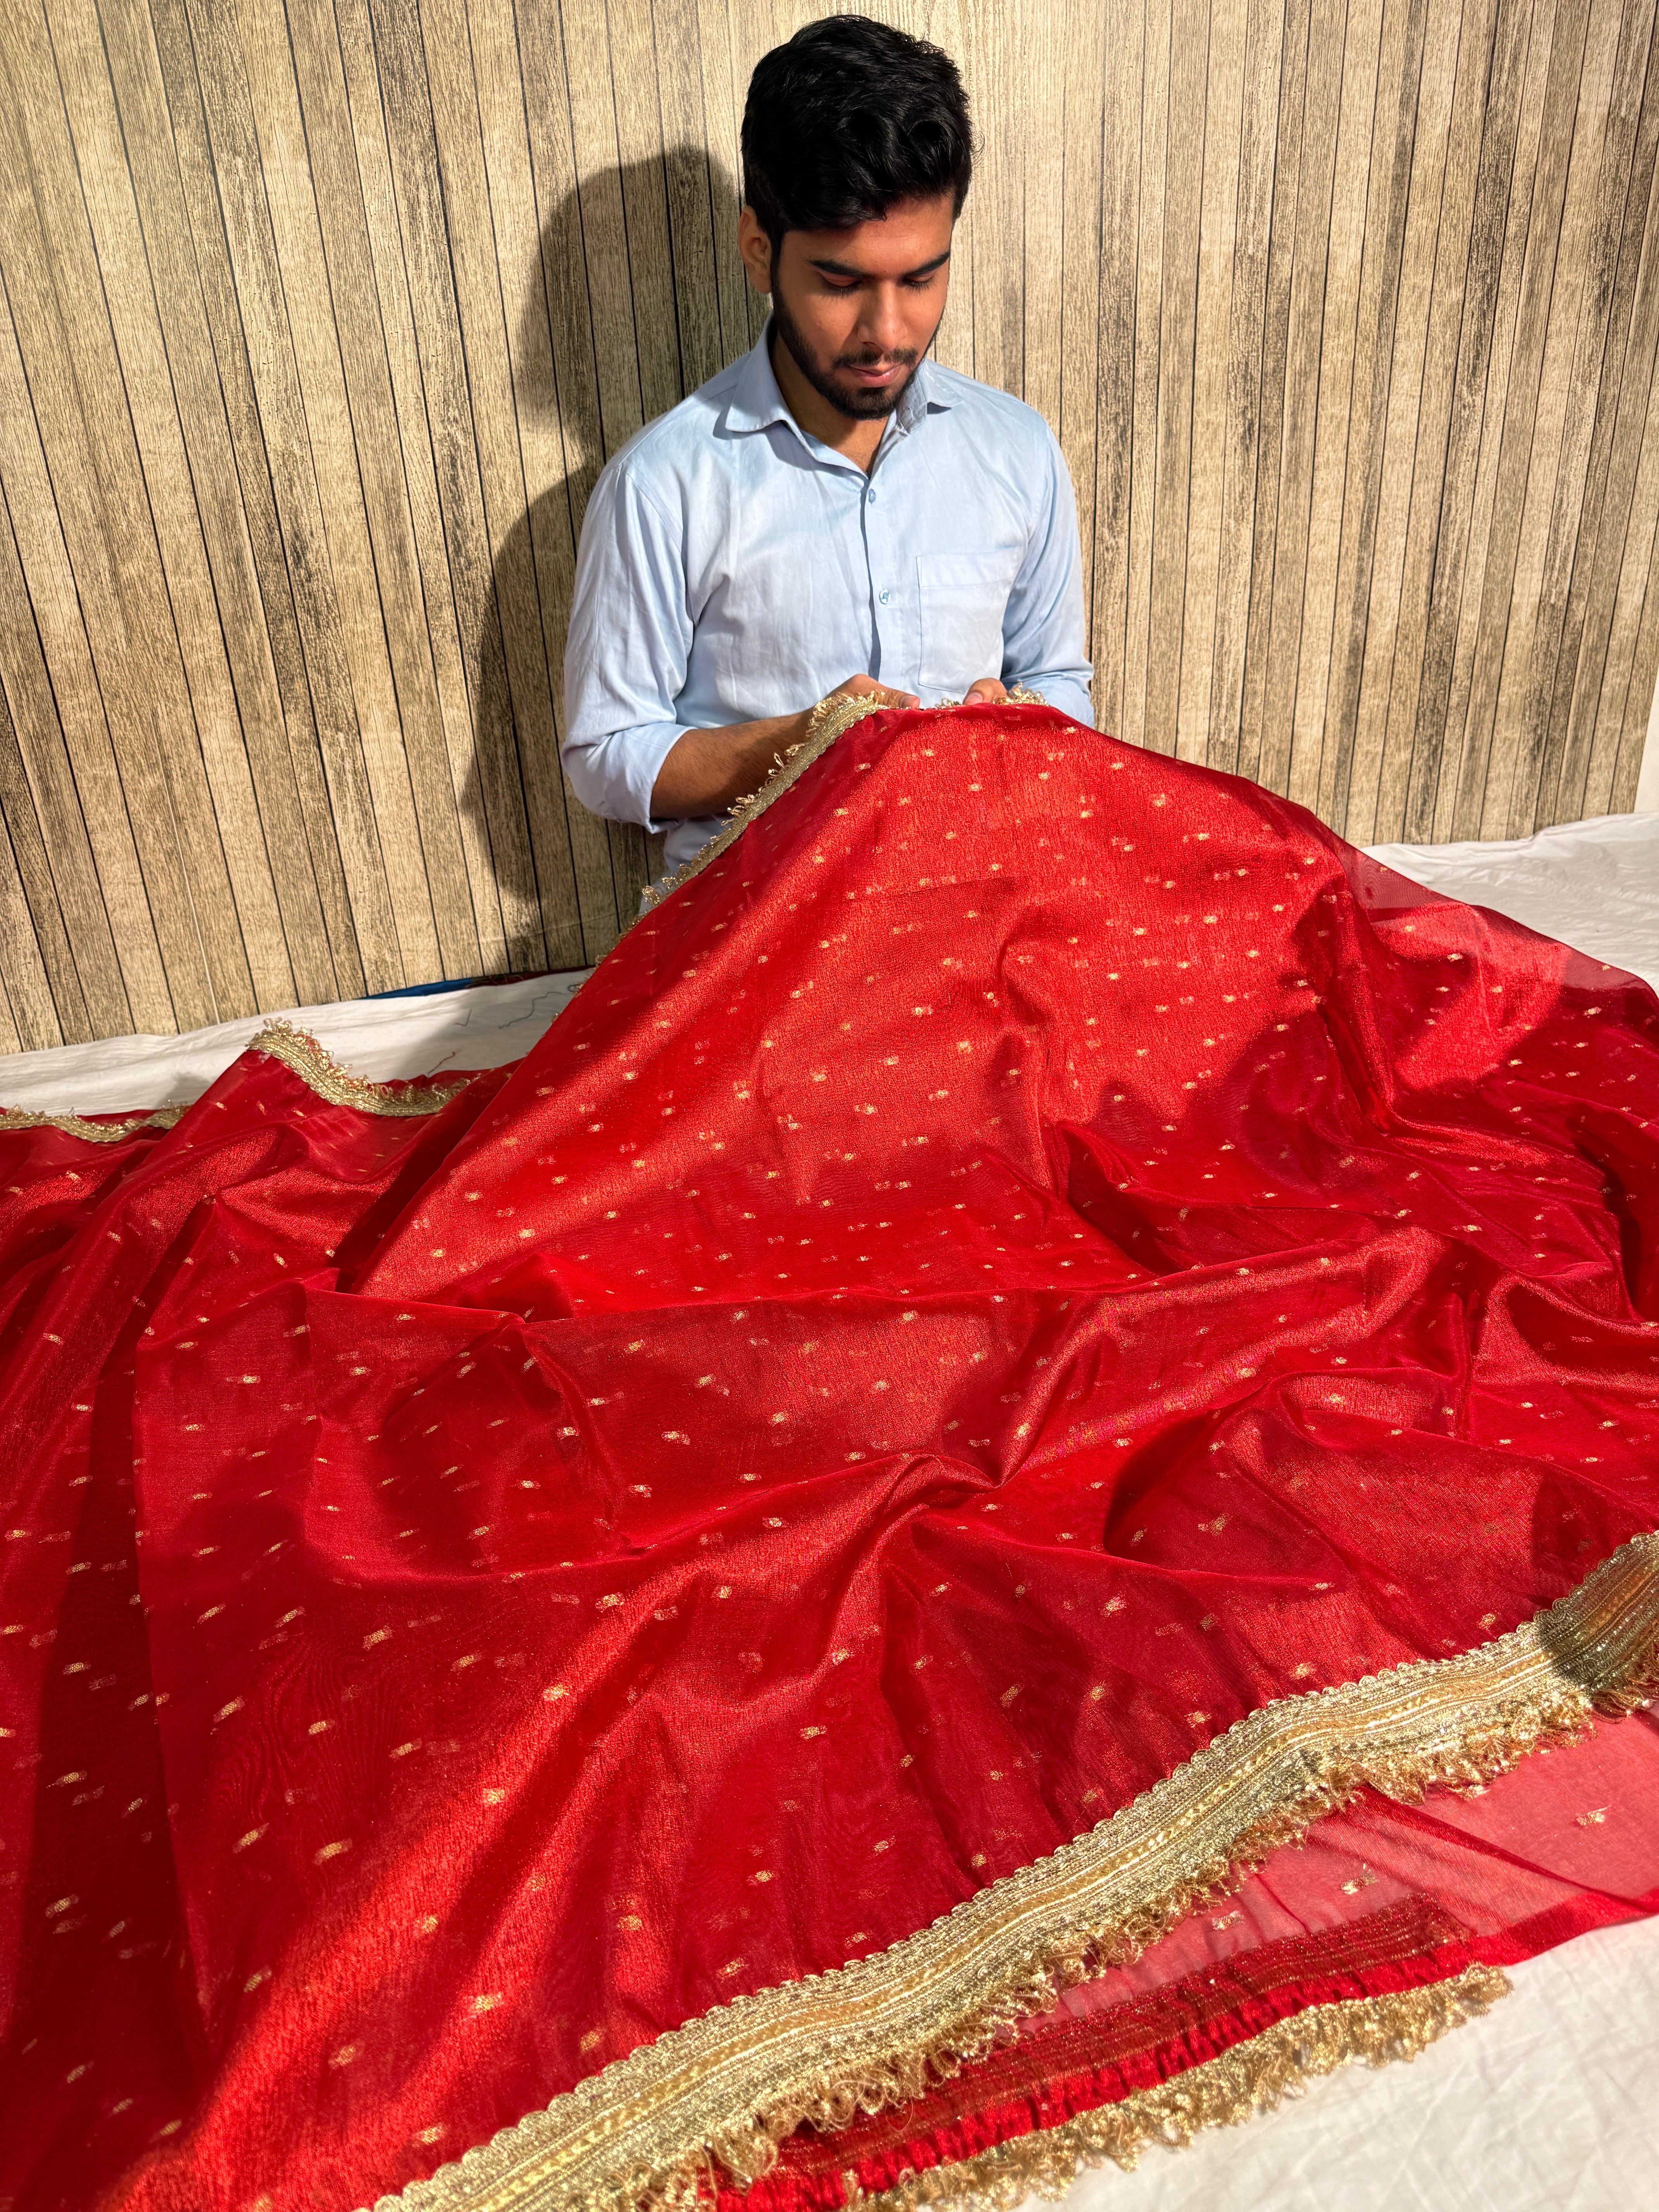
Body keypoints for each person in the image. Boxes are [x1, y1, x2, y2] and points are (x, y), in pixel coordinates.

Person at [562, 13, 1093, 879]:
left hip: (977, 898)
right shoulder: (662, 486)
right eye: (841, 283)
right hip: (764, 923)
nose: (888, 331)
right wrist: (805, 747)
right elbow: (606, 757)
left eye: (922, 277)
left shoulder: (1017, 450)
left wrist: (1020, 722)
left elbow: (1061, 679)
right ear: (758, 249)